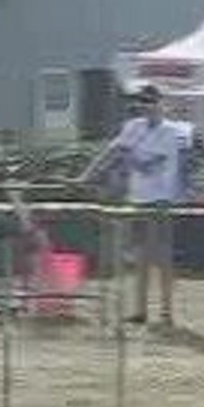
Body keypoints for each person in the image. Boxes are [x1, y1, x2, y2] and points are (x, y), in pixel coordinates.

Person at [80, 84, 190, 326]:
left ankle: (166, 313)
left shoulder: (172, 132)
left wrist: (127, 157)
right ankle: (140, 311)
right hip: (138, 199)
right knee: (140, 257)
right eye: (143, 102)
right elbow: (113, 151)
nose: (147, 107)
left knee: (163, 258)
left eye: (151, 102)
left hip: (161, 200)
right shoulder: (133, 127)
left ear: (161, 104)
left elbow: (148, 165)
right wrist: (88, 174)